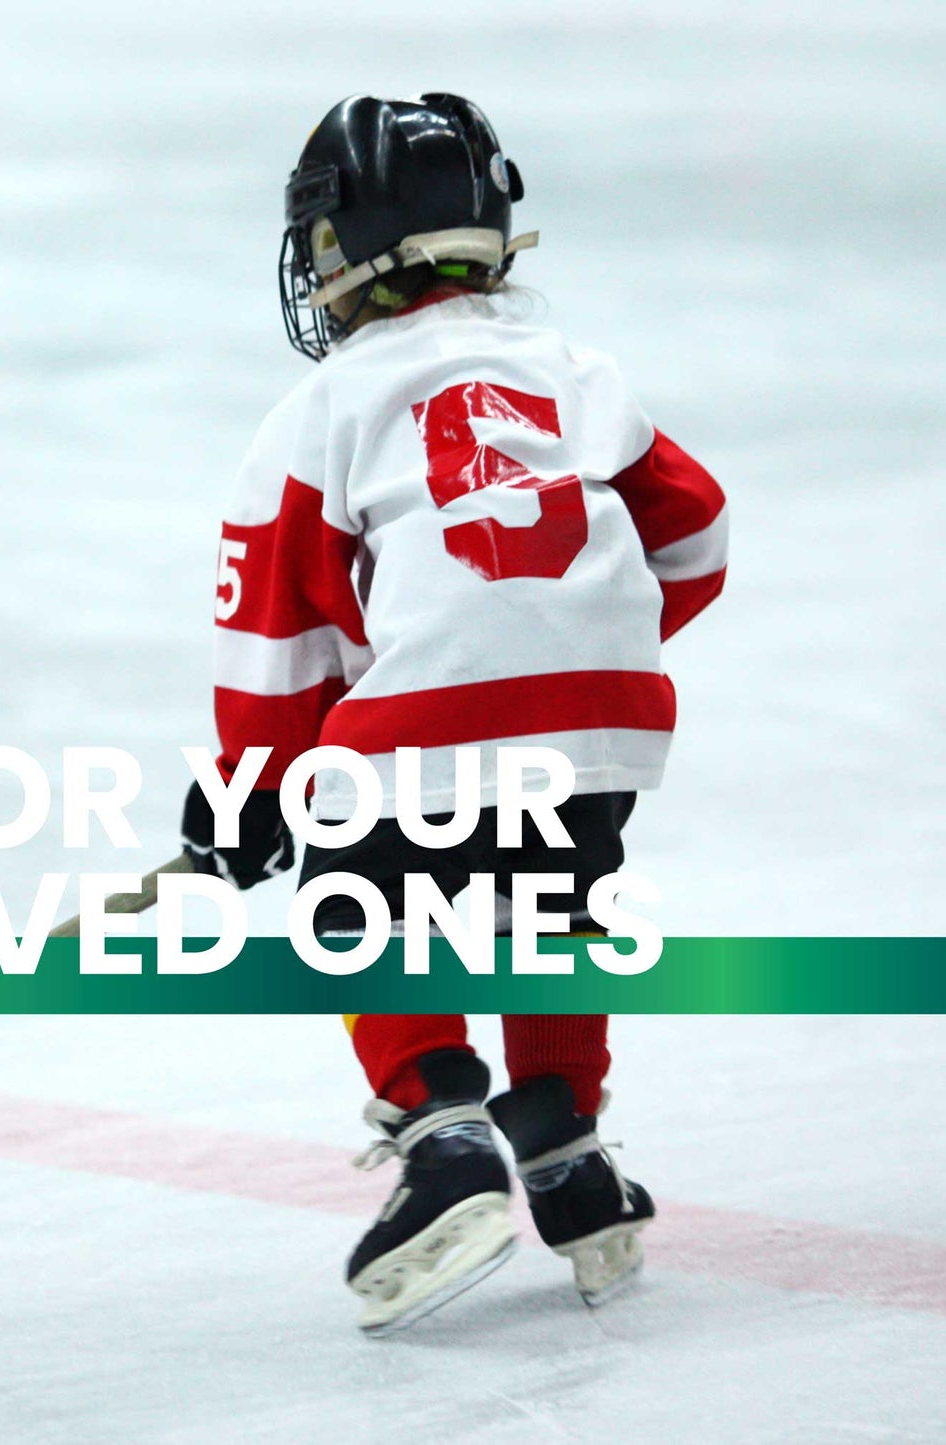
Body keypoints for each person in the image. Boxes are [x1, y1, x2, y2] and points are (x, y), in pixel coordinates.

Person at [181, 93, 727, 1335]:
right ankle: (566, 1150)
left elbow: (273, 635)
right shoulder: (572, 371)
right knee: (544, 910)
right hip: (597, 728)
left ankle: (443, 1141)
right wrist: (577, 640)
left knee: (355, 907)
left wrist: (253, 787)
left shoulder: (323, 410)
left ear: (338, 249)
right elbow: (693, 533)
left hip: (424, 729)